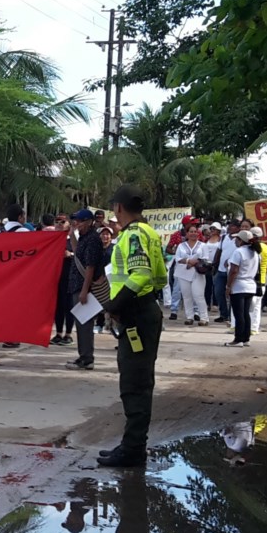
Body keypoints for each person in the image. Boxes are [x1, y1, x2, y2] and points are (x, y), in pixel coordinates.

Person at [96, 185, 165, 468]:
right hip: (144, 311)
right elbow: (160, 277)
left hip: (136, 315)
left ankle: (133, 449)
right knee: (138, 380)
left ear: (119, 208)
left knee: (134, 384)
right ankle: (132, 444)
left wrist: (115, 305)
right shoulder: (148, 232)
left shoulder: (133, 235)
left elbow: (141, 274)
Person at [67, 208, 106, 369]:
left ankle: (86, 358)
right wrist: (72, 234)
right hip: (77, 285)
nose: (78, 224)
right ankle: (83, 355)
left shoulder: (92, 240)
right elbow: (78, 254)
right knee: (80, 323)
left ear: (89, 222)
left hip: (84, 287)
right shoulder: (84, 238)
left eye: (81, 221)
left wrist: (84, 290)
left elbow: (90, 267)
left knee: (85, 324)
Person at [224, 230, 260, 346]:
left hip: (239, 286)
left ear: (241, 241)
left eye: (237, 239)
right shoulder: (254, 252)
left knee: (238, 314)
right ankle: (246, 338)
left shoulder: (238, 252)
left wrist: (228, 286)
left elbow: (234, 271)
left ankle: (238, 339)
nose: (235, 240)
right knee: (245, 313)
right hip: (250, 285)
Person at [173, 225, 210, 325]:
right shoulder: (181, 246)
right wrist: (189, 261)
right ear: (187, 233)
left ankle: (204, 318)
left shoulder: (203, 245)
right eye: (191, 231)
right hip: (183, 273)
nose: (193, 233)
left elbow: (205, 258)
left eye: (195, 231)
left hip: (197, 273)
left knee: (198, 295)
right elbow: (178, 258)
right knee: (186, 296)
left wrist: (193, 262)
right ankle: (189, 317)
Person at [53, 214, 75, 346]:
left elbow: (80, 254)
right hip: (56, 277)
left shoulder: (72, 239)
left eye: (63, 221)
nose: (60, 224)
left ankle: (68, 334)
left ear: (68, 224)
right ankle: (58, 333)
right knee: (58, 306)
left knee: (69, 306)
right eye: (57, 221)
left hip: (69, 277)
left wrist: (70, 254)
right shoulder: (50, 239)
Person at [250, 228, 267, 335]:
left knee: (248, 307)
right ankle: (254, 328)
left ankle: (247, 328)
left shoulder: (247, 249)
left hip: (249, 282)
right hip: (262, 282)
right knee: (257, 307)